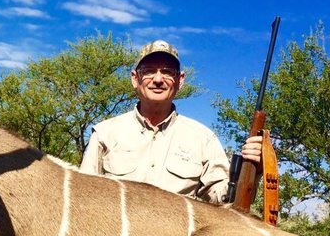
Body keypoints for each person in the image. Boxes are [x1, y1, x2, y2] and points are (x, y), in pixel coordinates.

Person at [79, 40, 262, 203]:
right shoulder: (105, 133)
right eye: (149, 71)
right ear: (135, 79)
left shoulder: (203, 138)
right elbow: (83, 195)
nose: (158, 80)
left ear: (180, 80)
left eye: (167, 72)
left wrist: (252, 170)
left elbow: (223, 199)